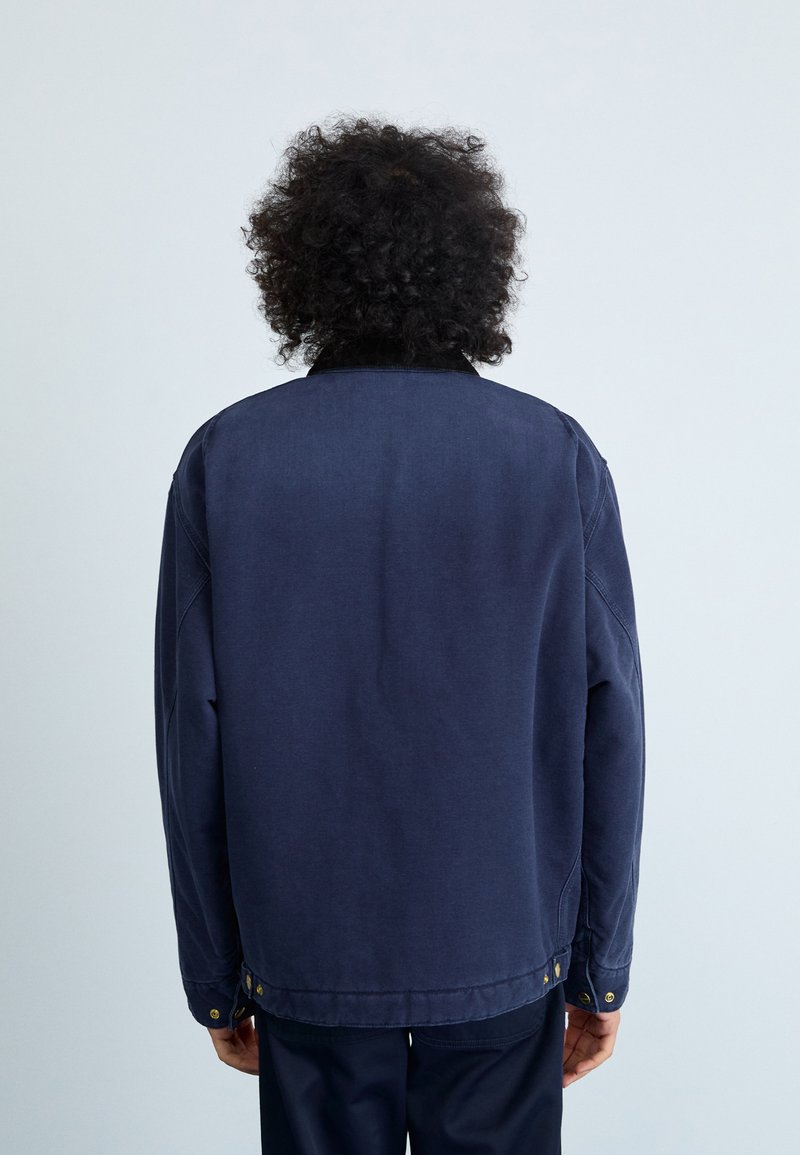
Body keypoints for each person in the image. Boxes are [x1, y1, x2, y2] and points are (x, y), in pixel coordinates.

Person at [154, 115, 646, 1154]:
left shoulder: (227, 459)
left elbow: (190, 742)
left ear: (300, 270)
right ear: (475, 274)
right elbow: (613, 731)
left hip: (307, 952)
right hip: (501, 941)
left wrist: (216, 978)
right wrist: (599, 970)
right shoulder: (552, 456)